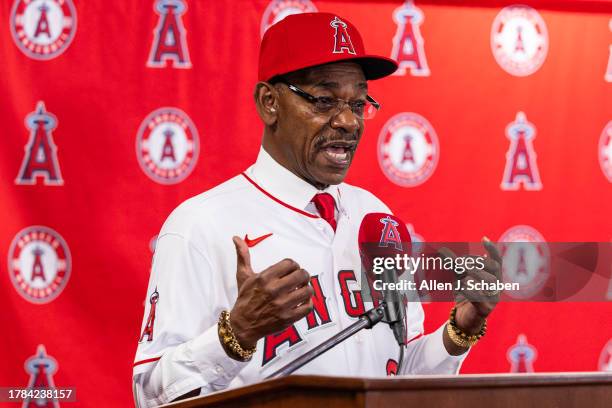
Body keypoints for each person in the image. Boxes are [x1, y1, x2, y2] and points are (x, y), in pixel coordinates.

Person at [132, 12, 501, 407]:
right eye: (324, 100)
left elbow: (399, 376)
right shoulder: (201, 225)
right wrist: (236, 333)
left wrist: (461, 328)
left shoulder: (375, 218)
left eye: (358, 103)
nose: (347, 121)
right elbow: (150, 394)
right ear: (269, 103)